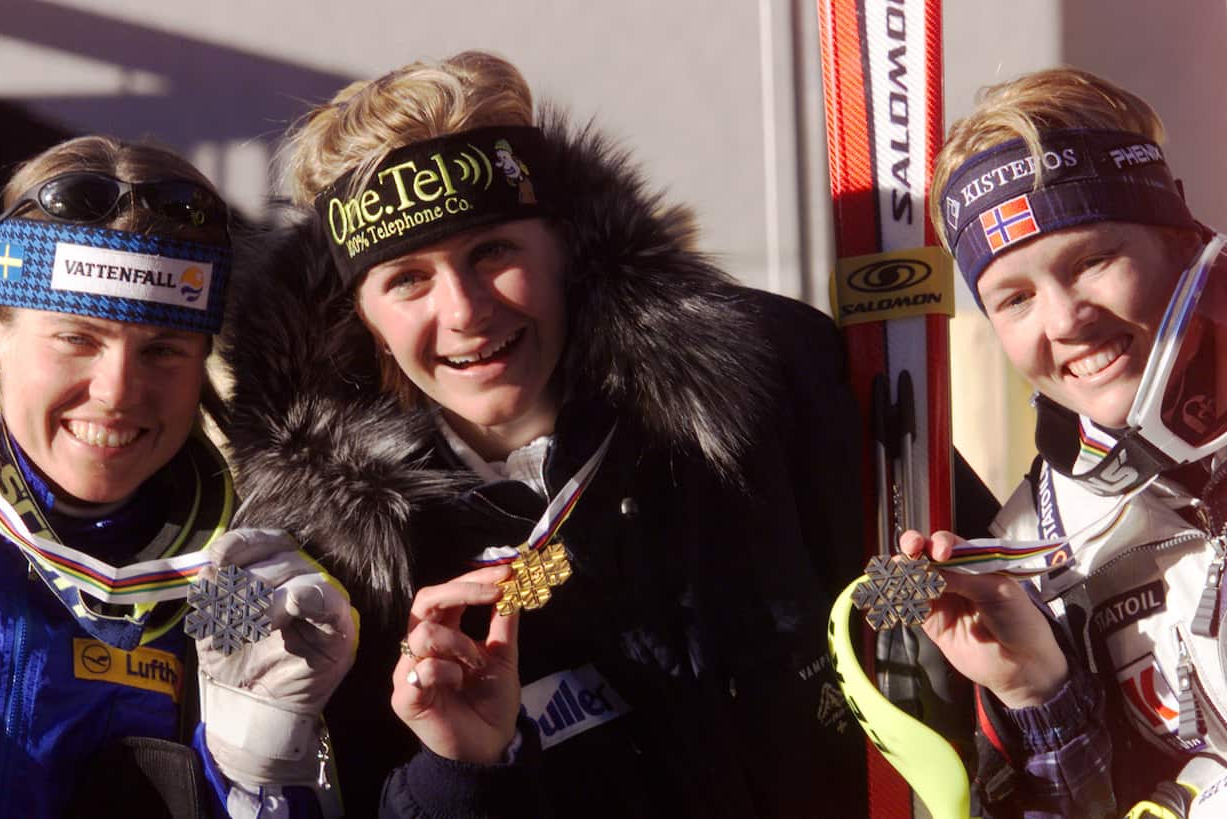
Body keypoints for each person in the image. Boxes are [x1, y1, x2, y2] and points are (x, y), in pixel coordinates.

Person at [221, 49, 922, 817]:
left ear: (566, 249)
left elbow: (925, 584)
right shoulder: (317, 542)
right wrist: (456, 767)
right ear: (365, 320)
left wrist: (918, 624)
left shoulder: (764, 377)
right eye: (407, 279)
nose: (463, 311)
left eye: (493, 251)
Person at [0, 135, 354, 818]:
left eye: (163, 349)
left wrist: (261, 763)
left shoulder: (241, 581)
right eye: (77, 337)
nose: (117, 390)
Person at [902, 66, 1227, 817]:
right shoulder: (1033, 544)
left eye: (1091, 260)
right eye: (1015, 297)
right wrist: (1038, 694)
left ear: (1180, 242)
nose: (1065, 319)